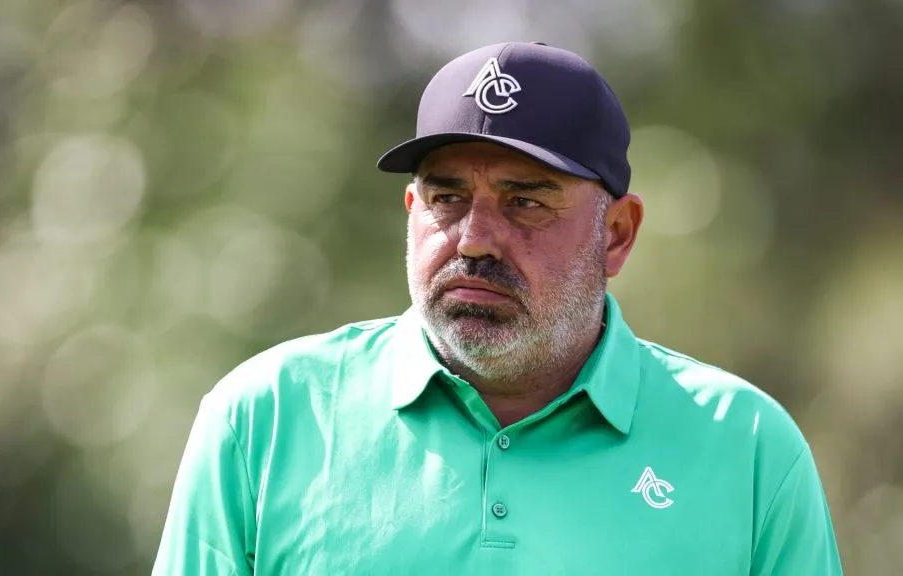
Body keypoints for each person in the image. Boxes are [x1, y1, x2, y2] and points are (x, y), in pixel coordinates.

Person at [152, 42, 843, 575]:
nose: (476, 237)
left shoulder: (746, 447)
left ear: (618, 235)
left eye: (526, 200)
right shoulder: (264, 419)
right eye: (446, 197)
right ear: (412, 211)